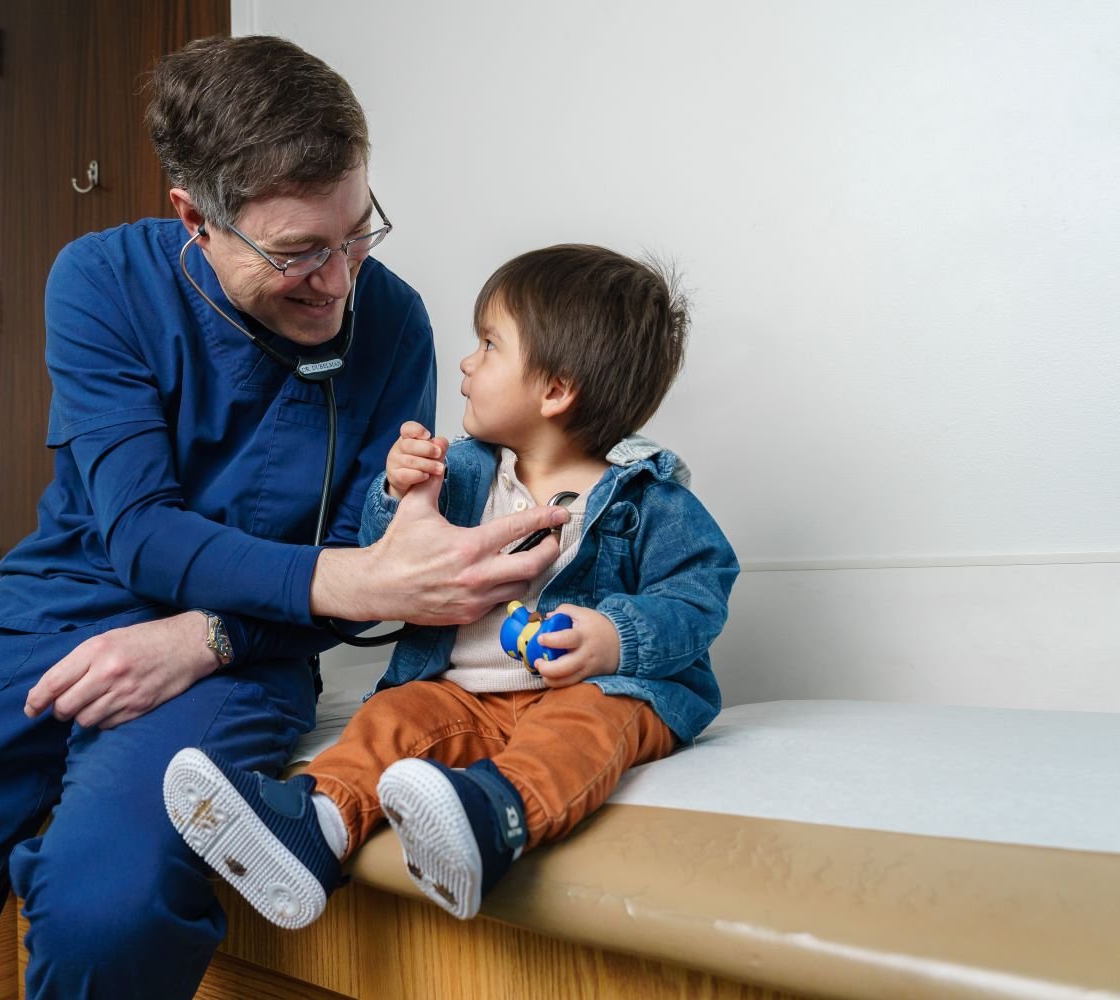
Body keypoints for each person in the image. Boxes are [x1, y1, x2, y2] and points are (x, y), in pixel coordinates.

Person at [0, 35, 570, 1000]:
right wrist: (354, 581)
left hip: (241, 655)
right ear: (195, 218)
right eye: (299, 252)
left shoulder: (389, 321)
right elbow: (142, 532)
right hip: (46, 623)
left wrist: (218, 634)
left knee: (111, 911)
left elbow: (381, 568)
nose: (339, 279)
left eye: (358, 233)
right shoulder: (100, 280)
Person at [164, 244, 739, 927]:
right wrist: (396, 490)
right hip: (465, 695)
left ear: (555, 390)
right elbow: (391, 549)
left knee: (589, 725)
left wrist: (617, 638)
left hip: (586, 692)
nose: (467, 363)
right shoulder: (464, 472)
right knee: (395, 716)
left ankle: (494, 814)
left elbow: (699, 595)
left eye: (489, 345)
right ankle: (315, 824)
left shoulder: (650, 502)